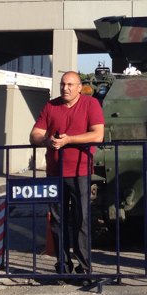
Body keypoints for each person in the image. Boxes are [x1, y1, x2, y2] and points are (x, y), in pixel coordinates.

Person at [30, 71, 105, 277]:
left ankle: (84, 267)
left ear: (80, 87)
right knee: (57, 220)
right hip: (55, 171)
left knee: (81, 219)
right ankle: (63, 265)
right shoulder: (51, 106)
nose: (66, 88)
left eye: (71, 84)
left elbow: (98, 134)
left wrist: (68, 140)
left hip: (80, 171)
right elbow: (35, 134)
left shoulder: (90, 105)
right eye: (63, 84)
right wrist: (47, 141)